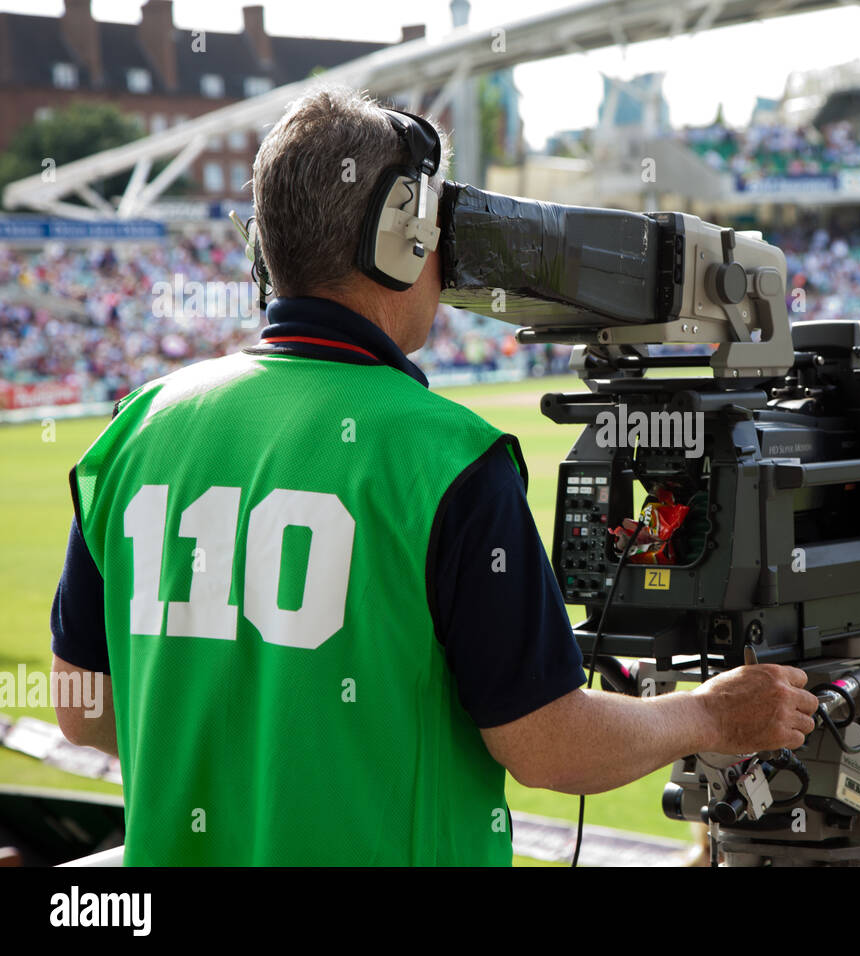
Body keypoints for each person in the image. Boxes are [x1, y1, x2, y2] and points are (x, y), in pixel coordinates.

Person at [48, 87, 819, 866]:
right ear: (402, 238)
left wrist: (256, 747)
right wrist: (712, 718)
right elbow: (550, 748)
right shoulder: (448, 457)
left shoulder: (137, 427)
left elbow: (83, 712)